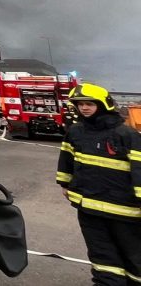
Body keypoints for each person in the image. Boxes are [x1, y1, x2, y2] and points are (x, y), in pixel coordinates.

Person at [57, 82, 141, 286]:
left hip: (124, 212)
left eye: (89, 104)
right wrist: (65, 184)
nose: (84, 108)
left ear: (104, 104)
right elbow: (66, 159)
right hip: (89, 209)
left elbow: (139, 169)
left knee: (134, 256)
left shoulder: (126, 135)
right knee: (102, 256)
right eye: (80, 104)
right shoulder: (76, 132)